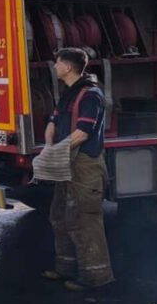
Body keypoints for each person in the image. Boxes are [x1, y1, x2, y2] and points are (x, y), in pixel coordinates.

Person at [41, 47, 114, 291]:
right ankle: (65, 268)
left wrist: (56, 150)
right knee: (60, 215)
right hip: (66, 162)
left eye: (57, 63)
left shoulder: (91, 95)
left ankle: (95, 277)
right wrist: (50, 145)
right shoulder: (68, 94)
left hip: (85, 165)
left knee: (84, 219)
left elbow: (82, 133)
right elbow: (53, 121)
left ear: (68, 67)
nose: (54, 67)